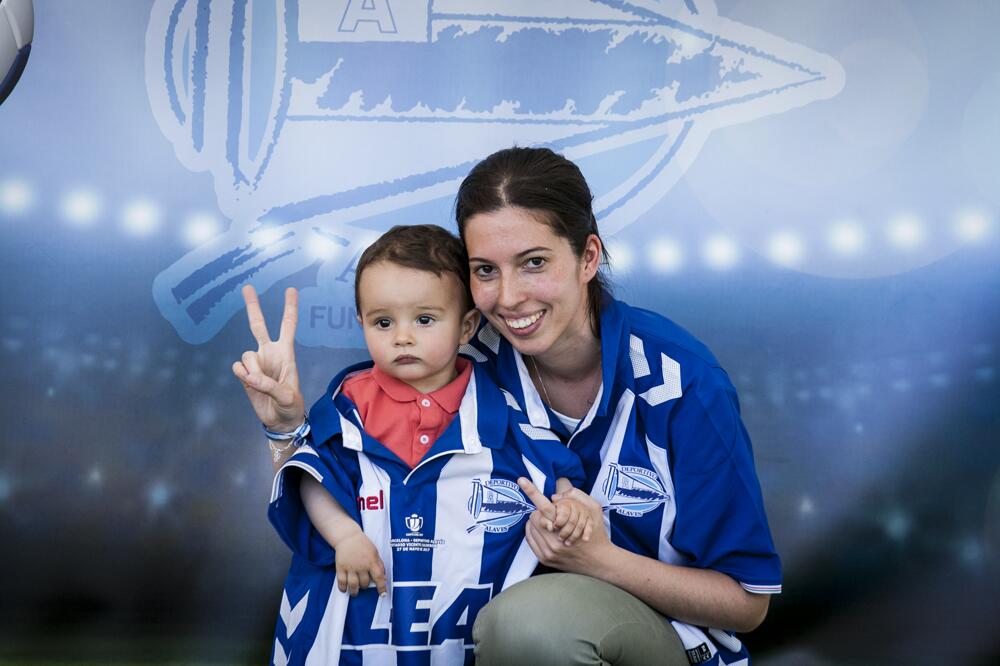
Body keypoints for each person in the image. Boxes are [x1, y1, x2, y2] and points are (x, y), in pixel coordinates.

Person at [243, 148, 782, 666]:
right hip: (481, 634)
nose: (508, 296)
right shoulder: (454, 360)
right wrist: (285, 426)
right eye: (485, 270)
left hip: (660, 635)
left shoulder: (682, 383)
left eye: (534, 263)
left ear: (588, 256)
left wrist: (597, 560)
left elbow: (747, 602)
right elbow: (350, 473)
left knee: (532, 627)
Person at [234, 224, 591, 665]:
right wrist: (344, 535)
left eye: (424, 320)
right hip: (353, 638)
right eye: (384, 322)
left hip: (458, 637)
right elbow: (310, 477)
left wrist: (571, 504)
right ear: (361, 323)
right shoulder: (346, 408)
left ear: (466, 327)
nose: (402, 336)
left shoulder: (507, 411)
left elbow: (559, 478)